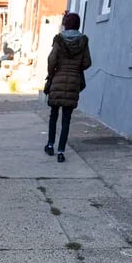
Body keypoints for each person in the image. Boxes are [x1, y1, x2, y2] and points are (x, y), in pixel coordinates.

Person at [44, 12, 91, 163]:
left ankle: (50, 145)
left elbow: (52, 60)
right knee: (66, 119)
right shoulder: (83, 41)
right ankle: (61, 151)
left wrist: (52, 74)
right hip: (73, 83)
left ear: (66, 24)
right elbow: (87, 63)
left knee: (53, 115)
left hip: (58, 80)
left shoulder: (59, 40)